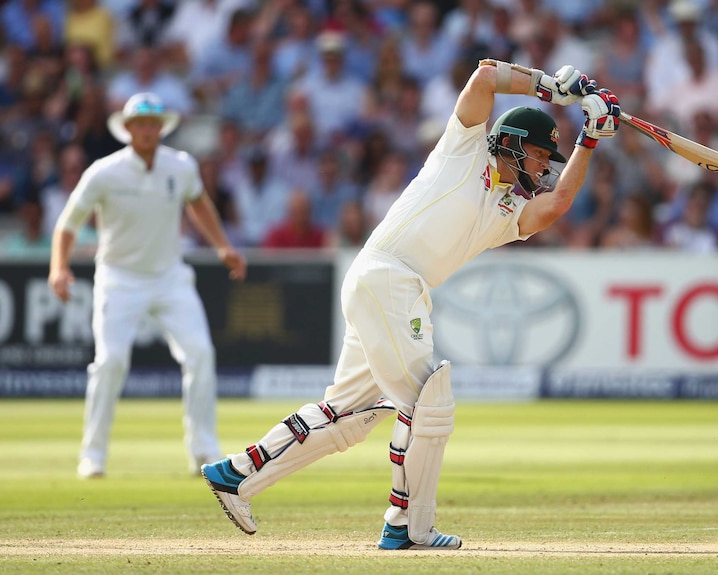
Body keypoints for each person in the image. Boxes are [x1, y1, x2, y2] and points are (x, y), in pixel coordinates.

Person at [201, 58, 620, 549]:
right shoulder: (463, 149)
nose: (542, 171)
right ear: (513, 143)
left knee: (350, 415)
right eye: (539, 158)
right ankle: (406, 526)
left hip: (393, 286)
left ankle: (238, 474)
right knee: (428, 403)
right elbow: (484, 76)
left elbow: (558, 204)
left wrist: (587, 139)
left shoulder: (509, 210)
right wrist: (554, 90)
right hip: (388, 277)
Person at [47, 92, 247, 479]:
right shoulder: (104, 172)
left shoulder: (181, 166)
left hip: (170, 276)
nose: (147, 129)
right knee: (110, 362)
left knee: (201, 353)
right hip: (119, 278)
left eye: (153, 123)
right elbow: (68, 224)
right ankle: (93, 455)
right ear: (127, 128)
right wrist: (59, 268)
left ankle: (203, 451)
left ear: (161, 127)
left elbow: (199, 204)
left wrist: (223, 245)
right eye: (140, 123)